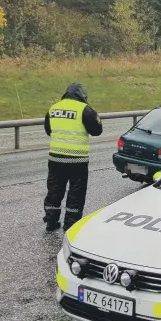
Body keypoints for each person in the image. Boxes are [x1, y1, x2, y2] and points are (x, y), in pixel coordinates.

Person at [43, 83, 103, 232]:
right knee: (76, 192)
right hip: (77, 160)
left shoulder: (53, 108)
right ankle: (70, 225)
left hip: (55, 159)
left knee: (54, 190)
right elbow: (97, 130)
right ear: (82, 95)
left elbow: (49, 130)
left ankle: (51, 221)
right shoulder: (85, 110)